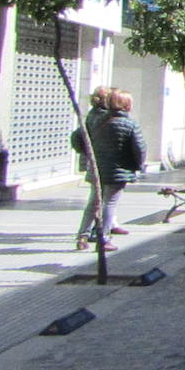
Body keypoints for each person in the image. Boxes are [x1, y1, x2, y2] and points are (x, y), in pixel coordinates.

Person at [74, 89, 146, 251]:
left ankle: (82, 236)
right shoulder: (129, 124)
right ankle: (103, 239)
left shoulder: (95, 120)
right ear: (126, 105)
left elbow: (77, 136)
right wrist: (138, 167)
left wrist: (87, 153)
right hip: (117, 170)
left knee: (93, 203)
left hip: (97, 168)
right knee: (109, 203)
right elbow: (139, 149)